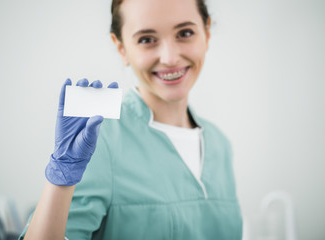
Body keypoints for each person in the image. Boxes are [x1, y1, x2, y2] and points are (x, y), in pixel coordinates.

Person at [20, 0, 243, 239]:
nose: (169, 58)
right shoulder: (99, 141)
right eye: (147, 39)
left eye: (185, 33)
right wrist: (61, 177)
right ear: (121, 48)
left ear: (206, 33)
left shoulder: (220, 145)